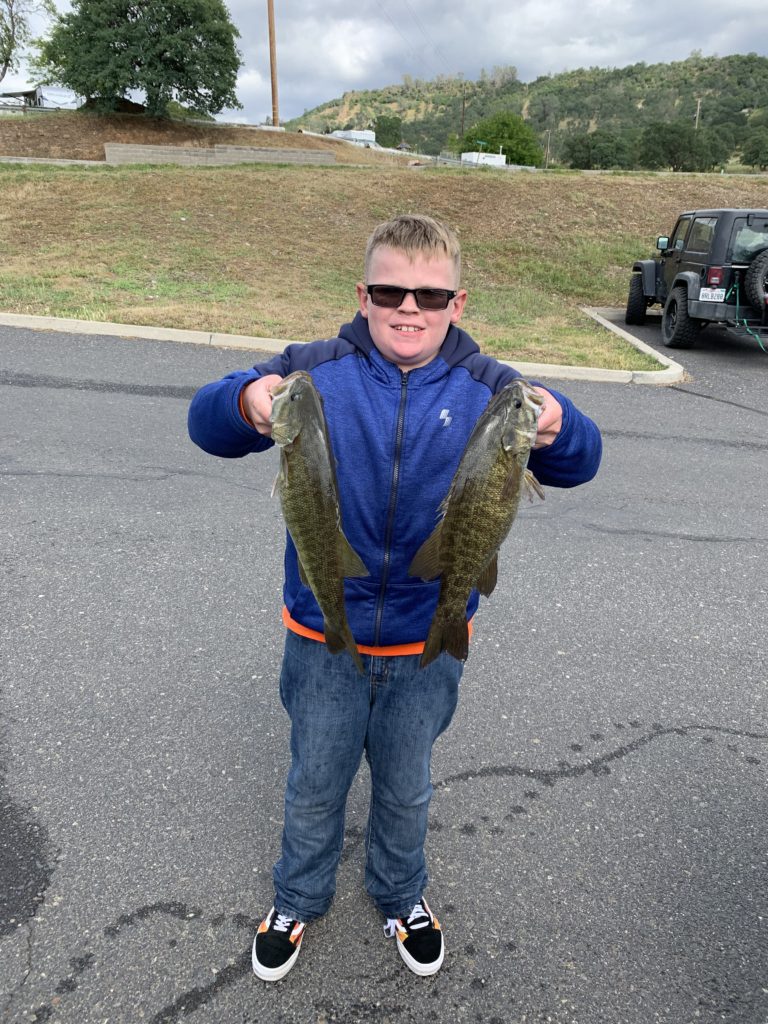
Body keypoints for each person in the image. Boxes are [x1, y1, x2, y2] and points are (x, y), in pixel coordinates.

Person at [187, 214, 602, 982]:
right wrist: (245, 402)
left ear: (458, 302)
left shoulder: (495, 390)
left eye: (430, 295)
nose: (409, 308)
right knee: (314, 782)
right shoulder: (311, 371)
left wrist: (559, 425)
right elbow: (208, 423)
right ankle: (296, 897)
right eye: (389, 290)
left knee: (407, 790)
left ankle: (402, 895)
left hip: (425, 641)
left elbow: (581, 460)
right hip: (320, 632)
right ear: (363, 293)